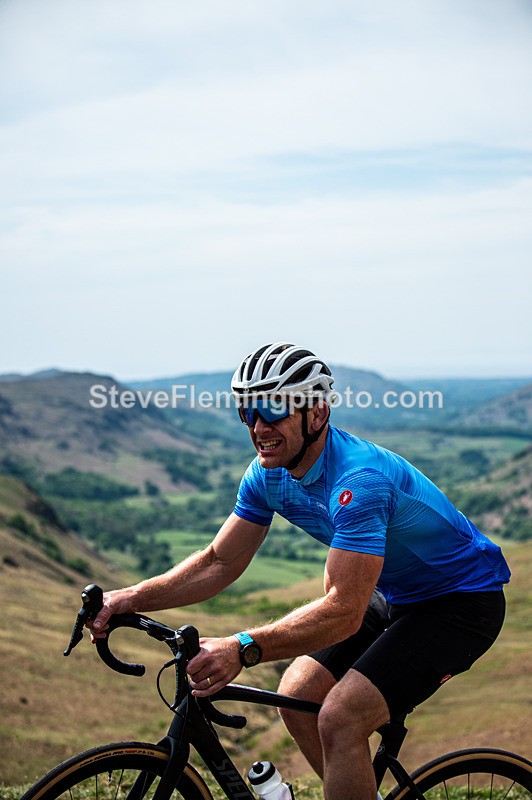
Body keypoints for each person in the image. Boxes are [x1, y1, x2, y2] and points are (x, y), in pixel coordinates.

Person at [90, 342, 510, 800]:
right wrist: (128, 597)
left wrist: (242, 647)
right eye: (247, 411)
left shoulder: (359, 482)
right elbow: (220, 561)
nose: (259, 427)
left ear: (317, 413)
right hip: (395, 592)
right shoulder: (268, 473)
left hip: (462, 602)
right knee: (299, 694)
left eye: (273, 408)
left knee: (341, 718)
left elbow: (343, 613)